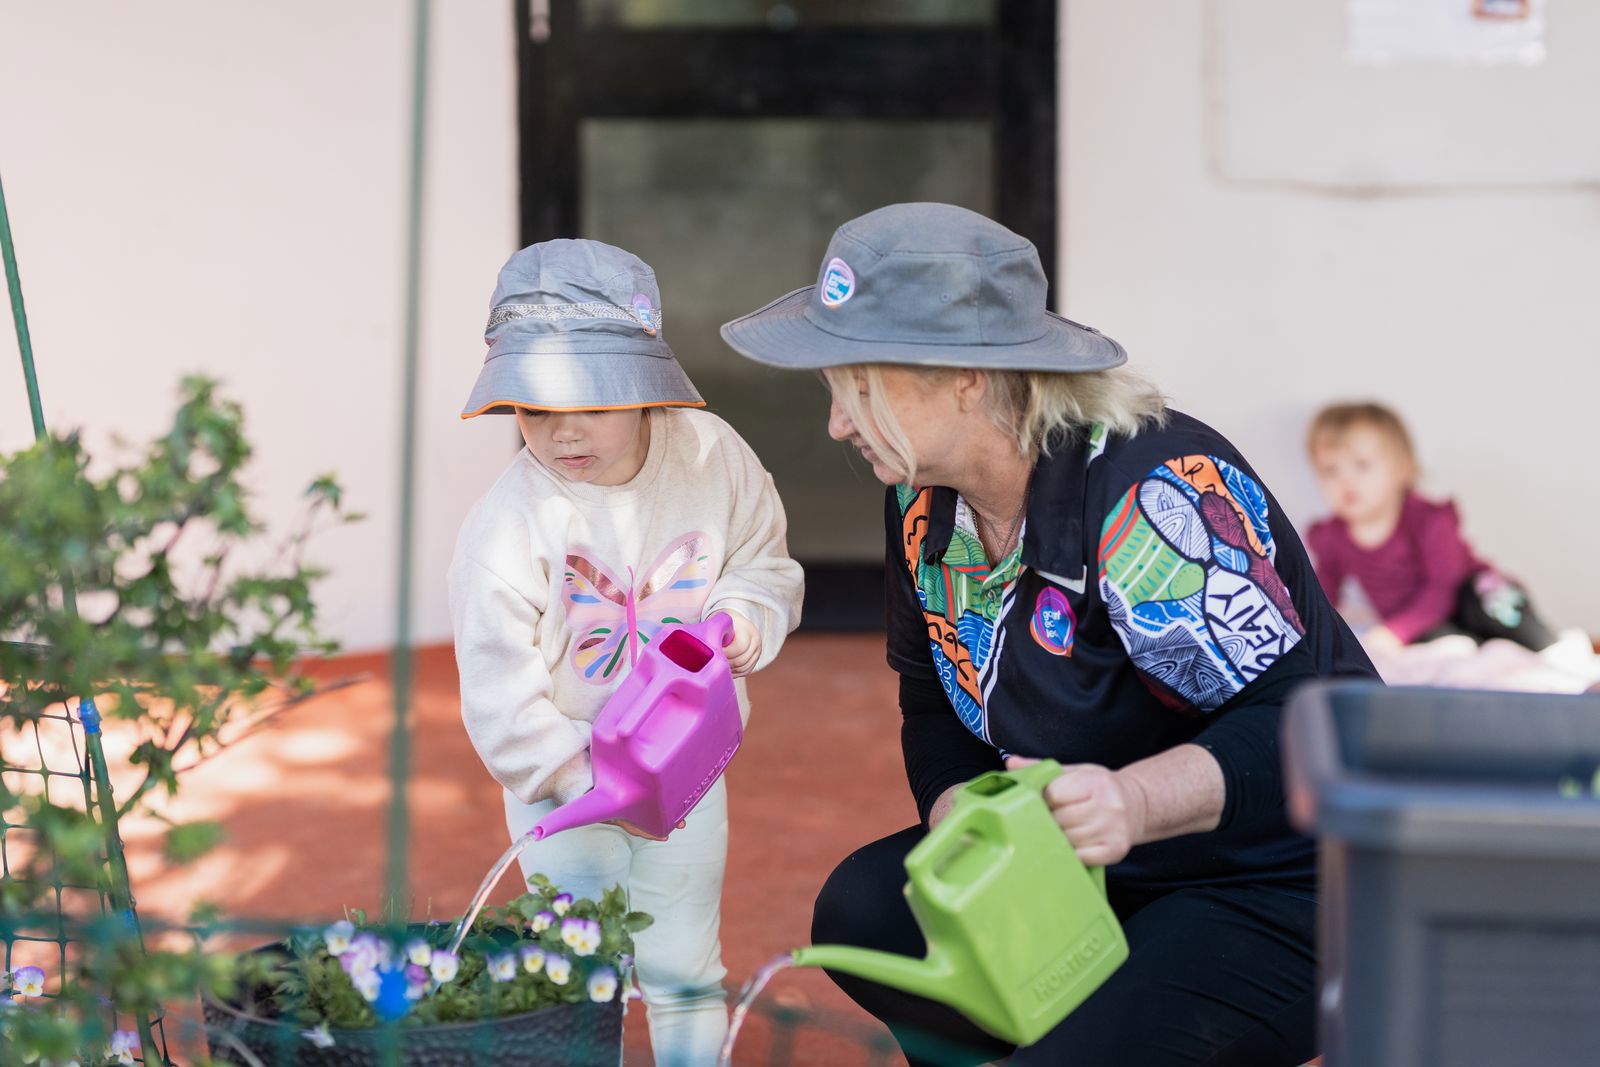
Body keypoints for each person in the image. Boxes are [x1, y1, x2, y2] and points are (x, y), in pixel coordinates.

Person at [719, 203, 1376, 1066]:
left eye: (860, 384)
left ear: (966, 377)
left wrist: (1133, 800)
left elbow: (1307, 722)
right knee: (870, 909)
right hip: (1098, 870)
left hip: (1280, 883)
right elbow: (931, 697)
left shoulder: (1154, 496)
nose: (839, 423)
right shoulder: (921, 501)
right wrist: (956, 804)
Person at [449, 239, 804, 1065]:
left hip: (689, 769)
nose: (564, 431)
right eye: (534, 410)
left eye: (592, 403)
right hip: (564, 789)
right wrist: (581, 775)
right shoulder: (505, 530)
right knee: (579, 974)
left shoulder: (714, 458)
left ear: (644, 388)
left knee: (685, 965)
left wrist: (745, 615)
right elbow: (500, 696)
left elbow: (762, 560)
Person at [1305, 401, 1562, 653]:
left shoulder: (1428, 520)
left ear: (1403, 469)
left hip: (1467, 598)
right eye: (1330, 470)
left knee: (1495, 598)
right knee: (1437, 644)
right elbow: (1322, 597)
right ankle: (1481, 654)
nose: (1345, 480)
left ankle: (1552, 650)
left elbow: (1442, 587)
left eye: (1361, 466)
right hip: (1422, 619)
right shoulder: (1331, 536)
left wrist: (1393, 632)